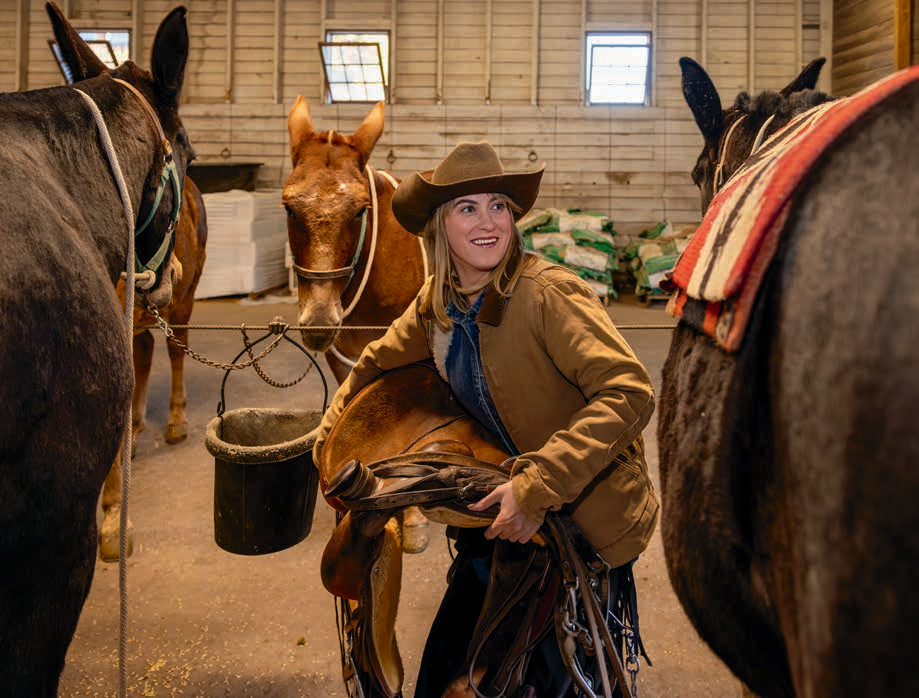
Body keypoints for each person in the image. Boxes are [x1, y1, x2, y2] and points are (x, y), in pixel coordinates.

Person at [312, 141, 658, 696]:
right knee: (445, 675)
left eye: (497, 205)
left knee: (548, 680)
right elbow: (375, 363)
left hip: (579, 518)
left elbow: (630, 391)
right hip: (497, 515)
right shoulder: (438, 302)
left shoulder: (548, 295)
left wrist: (537, 486)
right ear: (439, 227)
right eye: (466, 209)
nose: (487, 222)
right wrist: (330, 431)